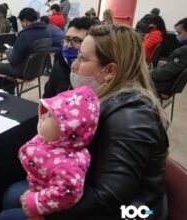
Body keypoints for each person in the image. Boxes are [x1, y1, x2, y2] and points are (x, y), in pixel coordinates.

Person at [43, 24, 168, 219]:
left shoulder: (131, 117)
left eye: (82, 59)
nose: (74, 65)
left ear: (110, 71)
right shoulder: (102, 97)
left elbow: (109, 200)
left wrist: (43, 206)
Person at [0, 86, 100, 220]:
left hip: (49, 207)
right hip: (40, 187)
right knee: (9, 195)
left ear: (67, 129)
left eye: (50, 115)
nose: (43, 116)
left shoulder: (69, 164)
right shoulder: (55, 140)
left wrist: (37, 202)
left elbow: (67, 193)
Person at [0, 7, 51, 94]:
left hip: (22, 71)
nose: (21, 25)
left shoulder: (25, 35)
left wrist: (8, 51)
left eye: (21, 22)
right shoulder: (46, 32)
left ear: (25, 20)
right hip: (37, 71)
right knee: (7, 69)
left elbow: (13, 60)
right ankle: (8, 92)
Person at [43, 17, 95, 98]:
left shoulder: (93, 75)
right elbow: (47, 97)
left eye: (76, 41)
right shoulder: (59, 66)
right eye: (67, 39)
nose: (69, 45)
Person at [151, 17, 187, 96]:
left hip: (163, 87)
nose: (177, 35)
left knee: (131, 81)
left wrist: (149, 74)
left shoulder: (183, 52)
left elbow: (166, 73)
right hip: (169, 86)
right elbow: (169, 67)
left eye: (179, 33)